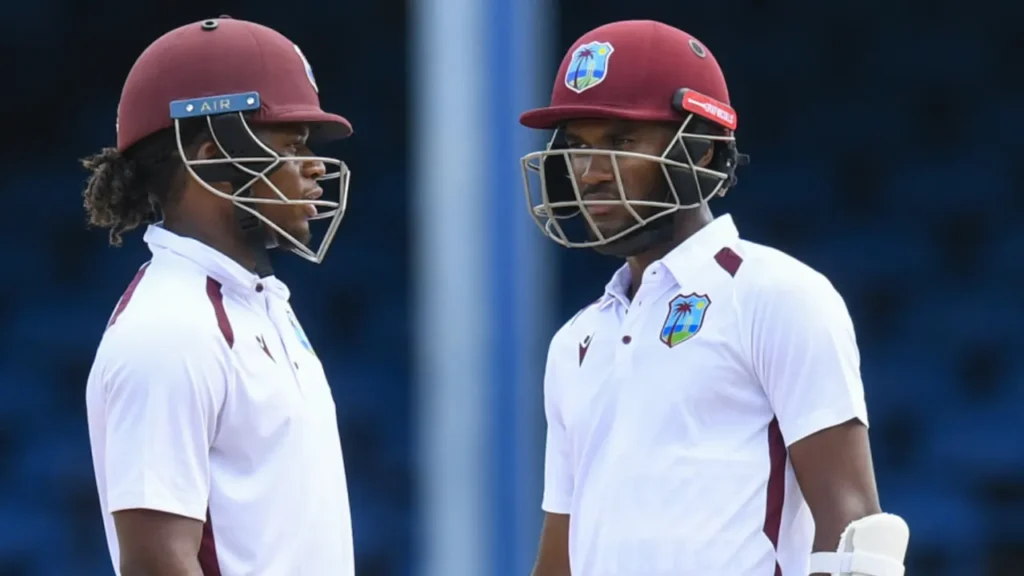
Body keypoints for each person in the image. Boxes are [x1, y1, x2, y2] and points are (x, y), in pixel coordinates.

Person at [519, 20, 909, 576]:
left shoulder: (777, 295)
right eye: (578, 146)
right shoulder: (575, 342)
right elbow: (561, 551)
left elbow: (855, 530)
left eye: (621, 142)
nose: (589, 174)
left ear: (700, 150)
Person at [82, 16, 355, 576]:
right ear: (213, 160)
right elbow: (156, 562)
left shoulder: (255, 305)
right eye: (291, 143)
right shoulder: (170, 328)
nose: (313, 170)